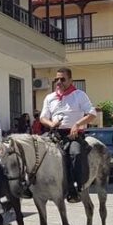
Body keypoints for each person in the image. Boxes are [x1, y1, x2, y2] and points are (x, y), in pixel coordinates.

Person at [38, 67, 97, 203]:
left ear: (70, 80)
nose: (59, 82)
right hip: (55, 133)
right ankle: (34, 185)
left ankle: (74, 188)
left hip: (73, 134)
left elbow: (92, 113)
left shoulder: (79, 95)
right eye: (57, 79)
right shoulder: (50, 97)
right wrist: (51, 124)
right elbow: (43, 117)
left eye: (62, 79)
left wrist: (77, 125)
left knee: (75, 154)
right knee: (36, 151)